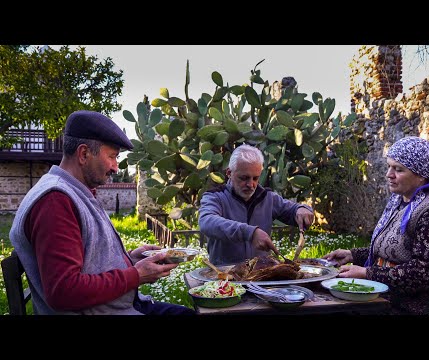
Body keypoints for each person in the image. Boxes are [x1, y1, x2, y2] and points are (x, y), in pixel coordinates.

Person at [9, 110, 195, 315]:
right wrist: (136, 275)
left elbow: (87, 260)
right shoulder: (55, 201)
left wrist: (130, 260)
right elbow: (64, 291)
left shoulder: (75, 191)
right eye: (112, 157)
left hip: (119, 306)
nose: (116, 167)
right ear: (83, 154)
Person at [323, 136, 429, 315]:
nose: (389, 174)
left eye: (398, 169)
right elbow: (396, 249)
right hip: (393, 298)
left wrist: (368, 273)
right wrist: (352, 255)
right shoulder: (402, 202)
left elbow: (424, 273)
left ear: (421, 175)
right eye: (389, 167)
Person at [198, 144, 314, 265]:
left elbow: (292, 209)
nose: (251, 184)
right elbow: (207, 222)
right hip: (225, 277)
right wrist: (250, 233)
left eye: (255, 178)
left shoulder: (267, 197)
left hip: (262, 277)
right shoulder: (215, 197)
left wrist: (302, 209)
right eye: (244, 178)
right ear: (229, 173)